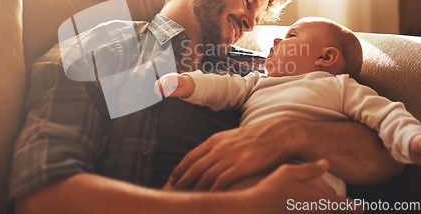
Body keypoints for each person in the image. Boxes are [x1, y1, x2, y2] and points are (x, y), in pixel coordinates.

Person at [9, 0, 402, 214]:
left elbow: (388, 160)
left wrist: (291, 135)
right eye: (248, 0)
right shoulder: (108, 48)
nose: (250, 23)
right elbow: (42, 197)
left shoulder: (258, 70)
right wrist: (241, 207)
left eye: (257, 18)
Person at [156, 17, 421, 196]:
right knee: (184, 185)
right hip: (250, 167)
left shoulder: (339, 86)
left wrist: (411, 138)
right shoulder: (256, 82)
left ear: (325, 57)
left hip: (311, 178)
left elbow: (385, 114)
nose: (275, 41)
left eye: (291, 35)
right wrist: (188, 83)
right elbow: (224, 88)